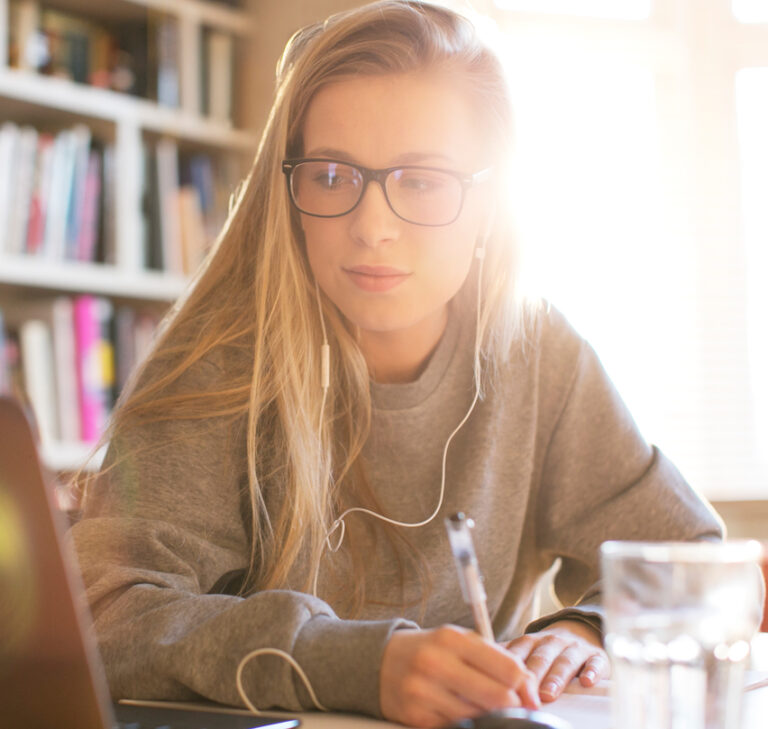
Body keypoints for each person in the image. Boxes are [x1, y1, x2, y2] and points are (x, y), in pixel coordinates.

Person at [70, 2, 723, 728]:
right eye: (329, 175)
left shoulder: (537, 351)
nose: (372, 227)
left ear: (491, 200)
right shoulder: (217, 365)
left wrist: (585, 630)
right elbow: (106, 618)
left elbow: (692, 560)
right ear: (287, 194)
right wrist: (351, 662)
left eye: (422, 180)